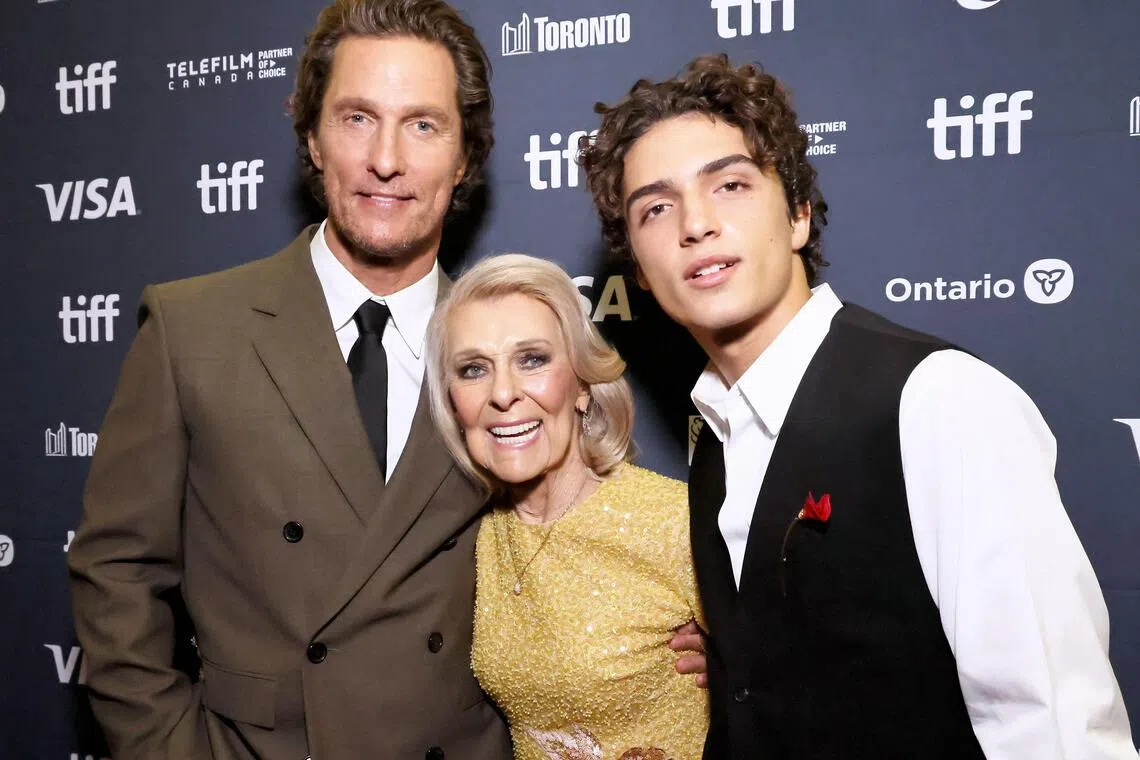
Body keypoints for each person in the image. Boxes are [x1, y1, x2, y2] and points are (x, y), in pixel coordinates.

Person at [579, 54, 1137, 759]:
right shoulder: (716, 437)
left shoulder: (939, 401)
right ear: (638, 270)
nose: (696, 224)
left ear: (798, 215)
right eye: (655, 208)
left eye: (730, 184)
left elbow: (1054, 726)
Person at [67, 1, 508, 758]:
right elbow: (117, 574)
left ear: (465, 157)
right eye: (357, 118)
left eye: (424, 125)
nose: (387, 160)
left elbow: (581, 549)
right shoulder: (191, 330)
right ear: (311, 136)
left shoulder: (514, 350)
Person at [424, 253, 710, 760]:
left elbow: (792, 688)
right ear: (453, 402)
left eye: (532, 359)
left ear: (581, 383)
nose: (504, 394)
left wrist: (734, 664)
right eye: (474, 369)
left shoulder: (675, 522)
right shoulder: (476, 532)